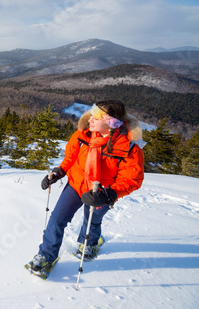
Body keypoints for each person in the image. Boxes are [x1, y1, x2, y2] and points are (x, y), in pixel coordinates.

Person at [29, 100, 145, 274]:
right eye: (91, 114)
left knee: (91, 221)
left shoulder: (129, 149)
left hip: (101, 192)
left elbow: (131, 180)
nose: (90, 119)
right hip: (76, 185)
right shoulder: (83, 135)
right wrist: (60, 171)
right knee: (57, 219)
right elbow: (71, 156)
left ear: (111, 123)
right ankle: (46, 256)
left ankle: (89, 243)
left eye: (97, 117)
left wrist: (109, 195)